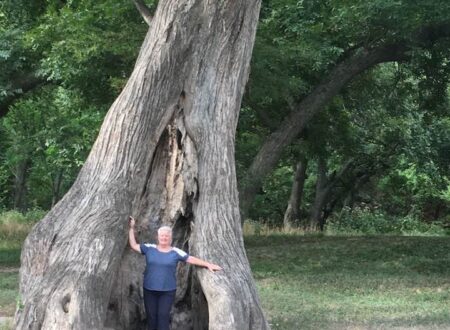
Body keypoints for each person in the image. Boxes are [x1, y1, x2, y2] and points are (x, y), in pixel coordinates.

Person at [128, 216, 222, 330]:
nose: (164, 238)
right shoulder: (149, 248)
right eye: (162, 235)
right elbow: (133, 245)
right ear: (158, 237)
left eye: (166, 236)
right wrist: (131, 228)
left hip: (167, 291)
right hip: (149, 289)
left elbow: (190, 259)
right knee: (151, 317)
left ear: (170, 238)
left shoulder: (175, 252)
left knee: (163, 317)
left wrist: (208, 264)